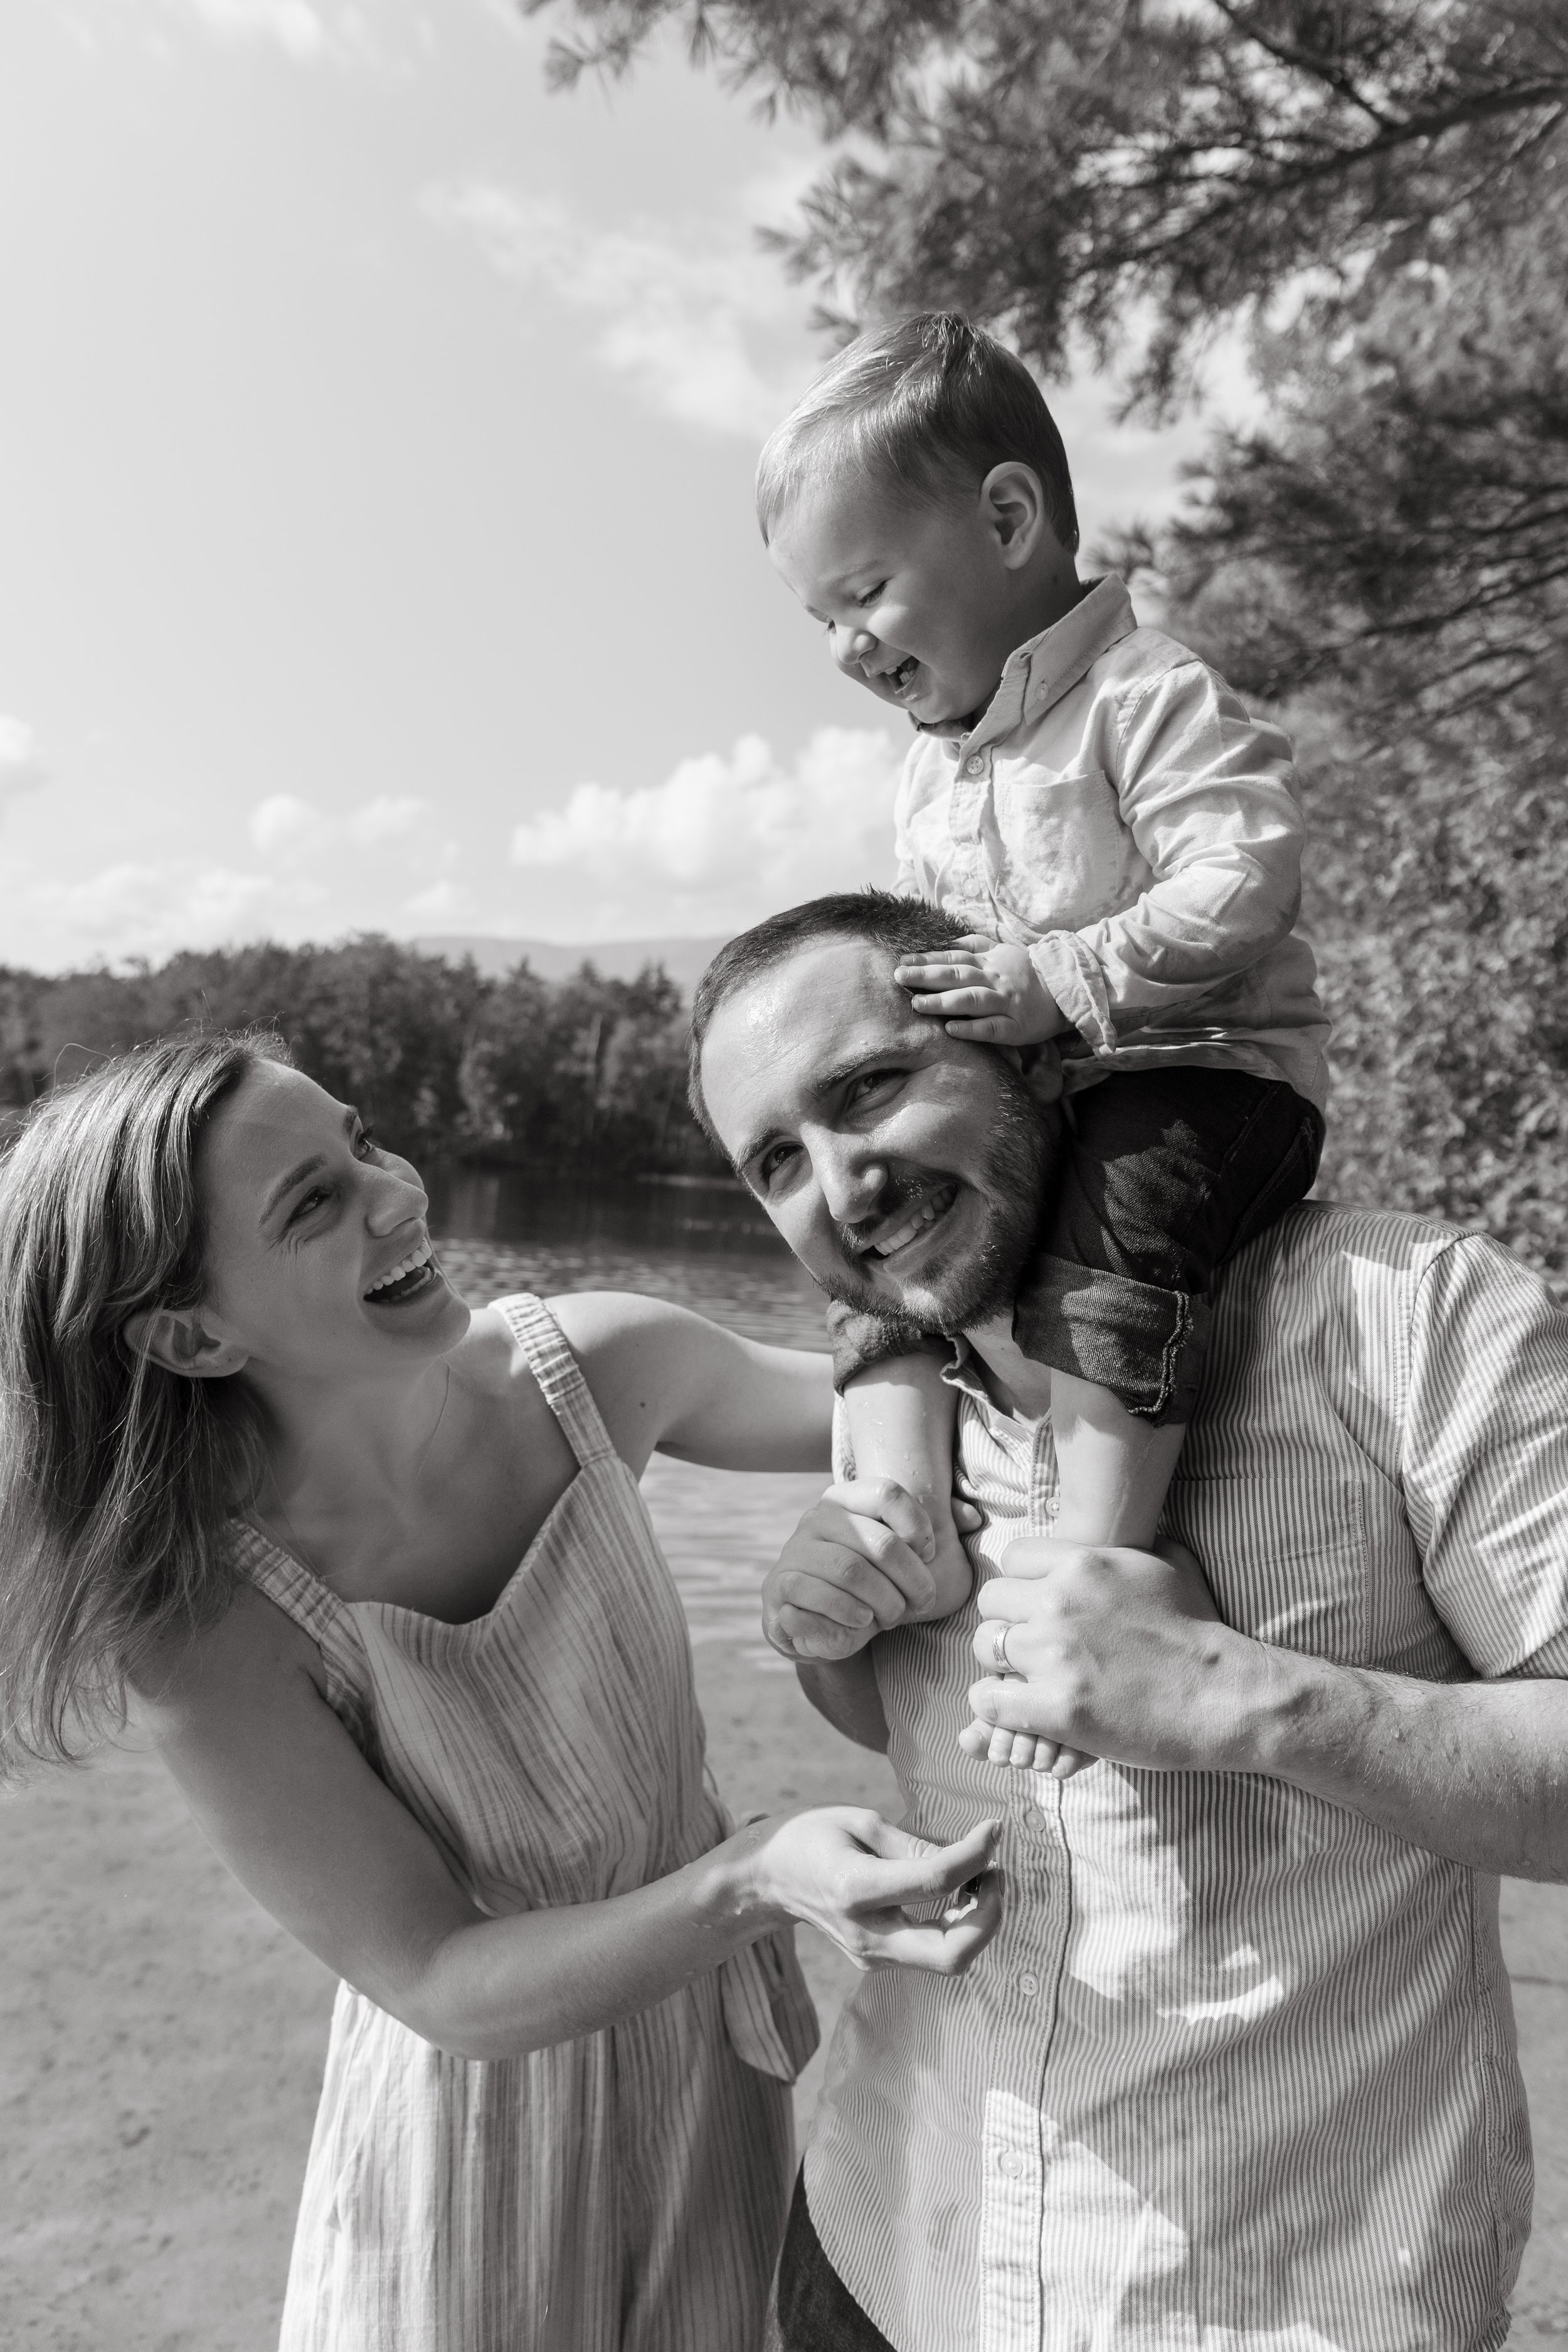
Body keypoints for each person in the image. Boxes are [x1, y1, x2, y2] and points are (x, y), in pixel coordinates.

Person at [0, 1030, 1002, 2352]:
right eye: (314, 1202)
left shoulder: (596, 1366)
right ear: (190, 1335)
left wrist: (883, 1496)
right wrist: (756, 1878)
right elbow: (435, 1976)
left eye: (360, 1140)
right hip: (466, 2142)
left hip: (709, 2076)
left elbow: (947, 1401)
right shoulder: (204, 1622)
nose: (395, 1193)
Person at [690, 889, 1568, 2352]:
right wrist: (833, 1640)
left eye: (869, 1090)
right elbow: (915, 1739)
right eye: (777, 1159)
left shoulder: (1410, 1313)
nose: (845, 1187)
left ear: (1036, 1055)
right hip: (881, 2246)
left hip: (1263, 2306)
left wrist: (1249, 1698)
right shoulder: (890, 1419)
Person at [757, 313, 1329, 1773]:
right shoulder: (928, 778)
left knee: (1123, 1216)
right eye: (818, 618)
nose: (843, 646)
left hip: (1200, 1072)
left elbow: (1243, 873)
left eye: (864, 591)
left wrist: (1065, 979)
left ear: (1008, 519)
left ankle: (1083, 1565)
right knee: (878, 1213)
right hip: (1044, 1089)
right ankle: (899, 1515)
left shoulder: (1141, 696)